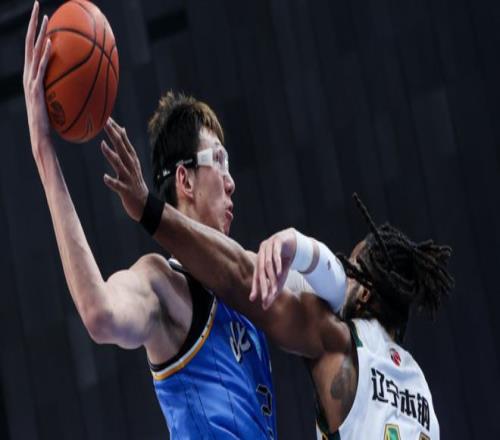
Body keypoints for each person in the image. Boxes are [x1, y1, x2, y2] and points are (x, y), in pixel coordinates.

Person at [23, 3, 346, 438]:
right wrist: (44, 154)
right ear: (185, 180)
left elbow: (338, 305)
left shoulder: (251, 291)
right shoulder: (162, 286)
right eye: (220, 161)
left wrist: (300, 248)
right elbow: (98, 313)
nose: (231, 182)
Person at [102, 104, 454, 438]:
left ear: (364, 293)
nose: (344, 273)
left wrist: (148, 209)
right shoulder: (421, 389)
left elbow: (242, 275)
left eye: (352, 269)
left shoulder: (338, 342)